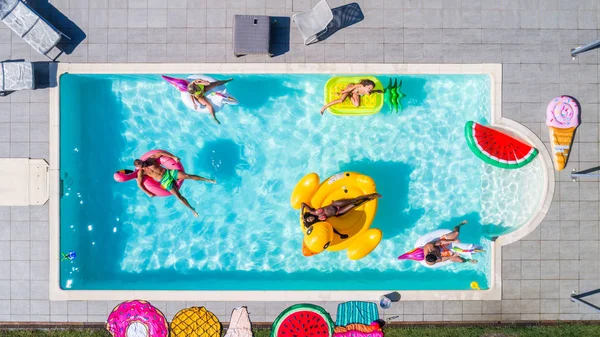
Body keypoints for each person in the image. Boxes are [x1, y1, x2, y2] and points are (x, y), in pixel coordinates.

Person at [133, 150, 216, 217]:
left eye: (142, 162)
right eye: (141, 165)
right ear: (138, 167)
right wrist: (148, 193)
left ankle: (208, 180)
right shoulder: (141, 172)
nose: (144, 165)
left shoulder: (150, 160)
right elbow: (139, 184)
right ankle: (192, 209)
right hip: (164, 181)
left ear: (141, 160)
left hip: (169, 173)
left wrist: (173, 157)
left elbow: (160, 153)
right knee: (178, 196)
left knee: (187, 176)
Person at [301, 193, 381, 239]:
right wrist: (340, 235)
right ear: (312, 222)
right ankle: (369, 199)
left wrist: (302, 215)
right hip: (338, 212)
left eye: (308, 218)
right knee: (353, 205)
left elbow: (303, 204)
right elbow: (332, 229)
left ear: (308, 216)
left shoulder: (313, 211)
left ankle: (371, 195)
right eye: (310, 220)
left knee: (354, 200)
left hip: (335, 204)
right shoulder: (320, 221)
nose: (310, 219)